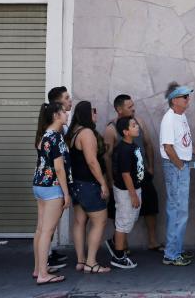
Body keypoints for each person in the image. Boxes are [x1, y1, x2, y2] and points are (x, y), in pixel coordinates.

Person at [103, 94, 160, 255]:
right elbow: (106, 156)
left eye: (133, 105)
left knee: (150, 206)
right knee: (121, 212)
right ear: (119, 109)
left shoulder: (139, 123)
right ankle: (122, 247)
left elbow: (148, 144)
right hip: (123, 179)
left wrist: (150, 168)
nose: (133, 109)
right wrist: (109, 178)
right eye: (129, 107)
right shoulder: (111, 129)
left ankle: (153, 241)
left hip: (143, 175)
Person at [159, 82, 195, 266]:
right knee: (177, 211)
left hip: (180, 166)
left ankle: (176, 250)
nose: (188, 99)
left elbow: (185, 142)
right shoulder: (169, 119)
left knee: (180, 211)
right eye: (184, 96)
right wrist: (180, 167)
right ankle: (171, 254)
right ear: (174, 100)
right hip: (175, 168)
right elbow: (168, 147)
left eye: (188, 96)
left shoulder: (181, 116)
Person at [66, 102, 110, 274]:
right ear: (86, 114)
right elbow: (92, 161)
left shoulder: (73, 133)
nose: (96, 115)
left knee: (79, 221)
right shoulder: (87, 133)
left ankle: (80, 260)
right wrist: (103, 183)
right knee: (100, 221)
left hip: (76, 184)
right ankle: (91, 263)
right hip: (88, 184)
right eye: (94, 112)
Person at [31, 102, 72, 286]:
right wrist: (66, 193)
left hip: (39, 184)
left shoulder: (44, 135)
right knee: (48, 231)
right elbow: (59, 168)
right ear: (56, 115)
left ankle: (38, 269)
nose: (67, 113)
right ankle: (43, 274)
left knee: (41, 229)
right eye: (64, 111)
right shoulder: (55, 137)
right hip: (53, 186)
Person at [110, 116, 144, 270]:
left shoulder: (133, 145)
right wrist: (133, 195)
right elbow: (125, 174)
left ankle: (114, 242)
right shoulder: (123, 149)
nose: (137, 126)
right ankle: (118, 256)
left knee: (130, 218)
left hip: (135, 188)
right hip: (126, 192)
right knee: (123, 222)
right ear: (126, 132)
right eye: (133, 125)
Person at [46, 86, 72, 269]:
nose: (70, 101)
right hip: (52, 183)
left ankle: (48, 253)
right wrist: (65, 191)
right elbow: (57, 164)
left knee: (49, 225)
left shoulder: (60, 127)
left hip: (55, 182)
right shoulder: (53, 131)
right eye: (67, 98)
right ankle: (44, 260)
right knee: (47, 225)